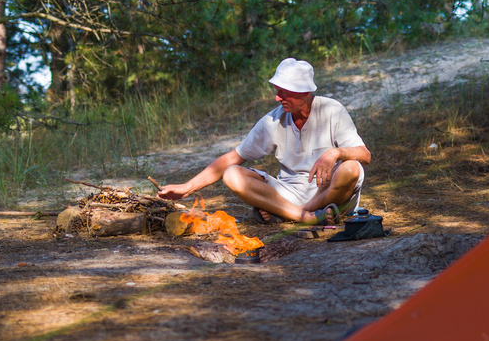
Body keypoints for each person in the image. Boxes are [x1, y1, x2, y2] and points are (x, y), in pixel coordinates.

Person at [158, 58, 371, 225]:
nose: (277, 98)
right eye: (277, 91)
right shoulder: (272, 120)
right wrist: (186, 188)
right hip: (288, 196)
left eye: (283, 92)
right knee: (232, 174)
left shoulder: (332, 110)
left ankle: (296, 213)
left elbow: (364, 154)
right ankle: (303, 217)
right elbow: (232, 158)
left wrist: (335, 153)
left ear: (304, 92)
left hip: (331, 196)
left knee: (352, 168)